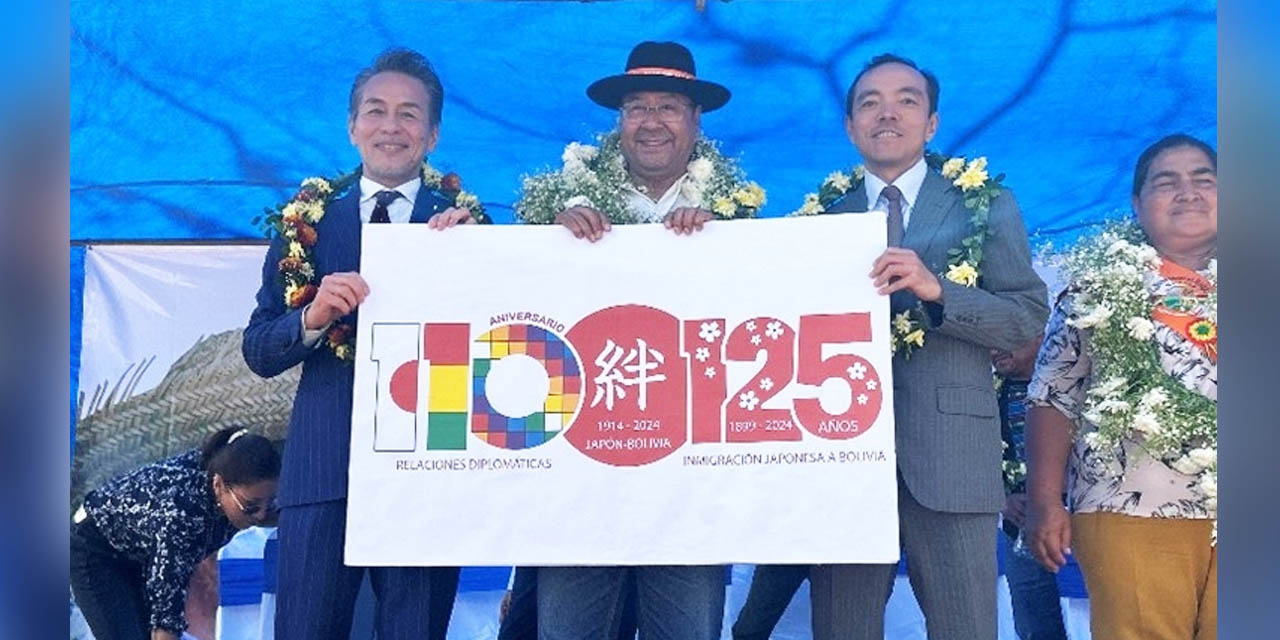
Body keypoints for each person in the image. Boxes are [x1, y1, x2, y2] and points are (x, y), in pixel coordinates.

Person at [807, 53, 1049, 639]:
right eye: (870, 102)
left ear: (932, 123)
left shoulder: (983, 203)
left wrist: (939, 291)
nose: (887, 113)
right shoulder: (819, 218)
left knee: (966, 628)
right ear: (849, 126)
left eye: (906, 100)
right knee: (842, 629)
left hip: (953, 461)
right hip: (841, 461)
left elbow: (1025, 318)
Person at [243, 47, 476, 640]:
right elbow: (259, 350)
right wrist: (313, 317)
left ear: (432, 134)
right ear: (352, 128)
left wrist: (473, 264)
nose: (390, 127)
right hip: (324, 468)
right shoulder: (307, 224)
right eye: (375, 111)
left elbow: (502, 343)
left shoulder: (465, 228)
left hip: (428, 468)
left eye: (408, 114)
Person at [527, 41, 747, 640]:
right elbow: (512, 307)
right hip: (579, 478)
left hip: (689, 484)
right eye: (637, 107)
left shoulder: (739, 216)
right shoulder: (559, 205)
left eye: (669, 106)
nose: (651, 122)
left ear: (697, 121)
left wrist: (723, 247)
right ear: (619, 121)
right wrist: (543, 248)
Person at [1024, 133, 1217, 640]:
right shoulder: (1097, 288)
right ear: (1137, 203)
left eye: (1204, 179)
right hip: (1130, 507)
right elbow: (1051, 396)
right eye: (1166, 182)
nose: (1188, 192)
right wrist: (1045, 500)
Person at [70, 427, 280, 640]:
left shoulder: (222, 469)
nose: (262, 515)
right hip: (94, 546)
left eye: (270, 502)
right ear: (219, 486)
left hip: (136, 549)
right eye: (251, 506)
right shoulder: (182, 516)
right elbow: (165, 625)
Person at [994, 333, 1068, 640]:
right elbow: (969, 456)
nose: (995, 347)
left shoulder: (1071, 387)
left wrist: (1052, 497)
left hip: (1073, 529)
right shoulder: (985, 395)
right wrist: (1001, 500)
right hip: (1018, 534)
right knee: (1035, 629)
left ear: (1041, 335)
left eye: (1003, 335)